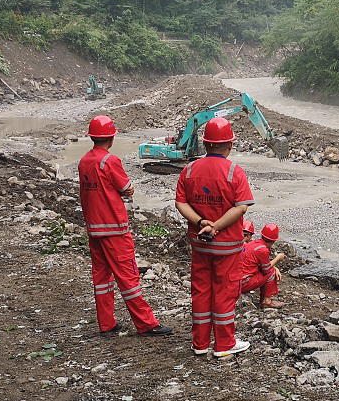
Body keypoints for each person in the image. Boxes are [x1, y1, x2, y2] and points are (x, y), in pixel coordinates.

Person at [79, 115, 172, 336]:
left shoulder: (84, 161)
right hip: (114, 229)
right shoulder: (110, 161)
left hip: (94, 228)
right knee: (128, 278)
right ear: (111, 138)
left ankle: (107, 323)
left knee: (101, 279)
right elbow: (126, 188)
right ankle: (146, 323)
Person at [175, 117, 255, 358]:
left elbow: (181, 203)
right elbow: (241, 207)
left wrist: (201, 223)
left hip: (200, 244)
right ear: (230, 144)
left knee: (201, 291)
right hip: (227, 247)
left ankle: (200, 343)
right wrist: (216, 227)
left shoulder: (189, 170)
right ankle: (224, 344)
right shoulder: (234, 172)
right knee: (224, 292)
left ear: (205, 143)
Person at [240, 222, 286, 309]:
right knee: (271, 272)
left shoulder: (254, 243)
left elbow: (263, 264)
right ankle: (267, 301)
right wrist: (278, 258)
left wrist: (274, 267)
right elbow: (267, 269)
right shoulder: (263, 250)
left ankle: (263, 299)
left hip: (237, 280)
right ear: (274, 240)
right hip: (243, 283)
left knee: (270, 270)